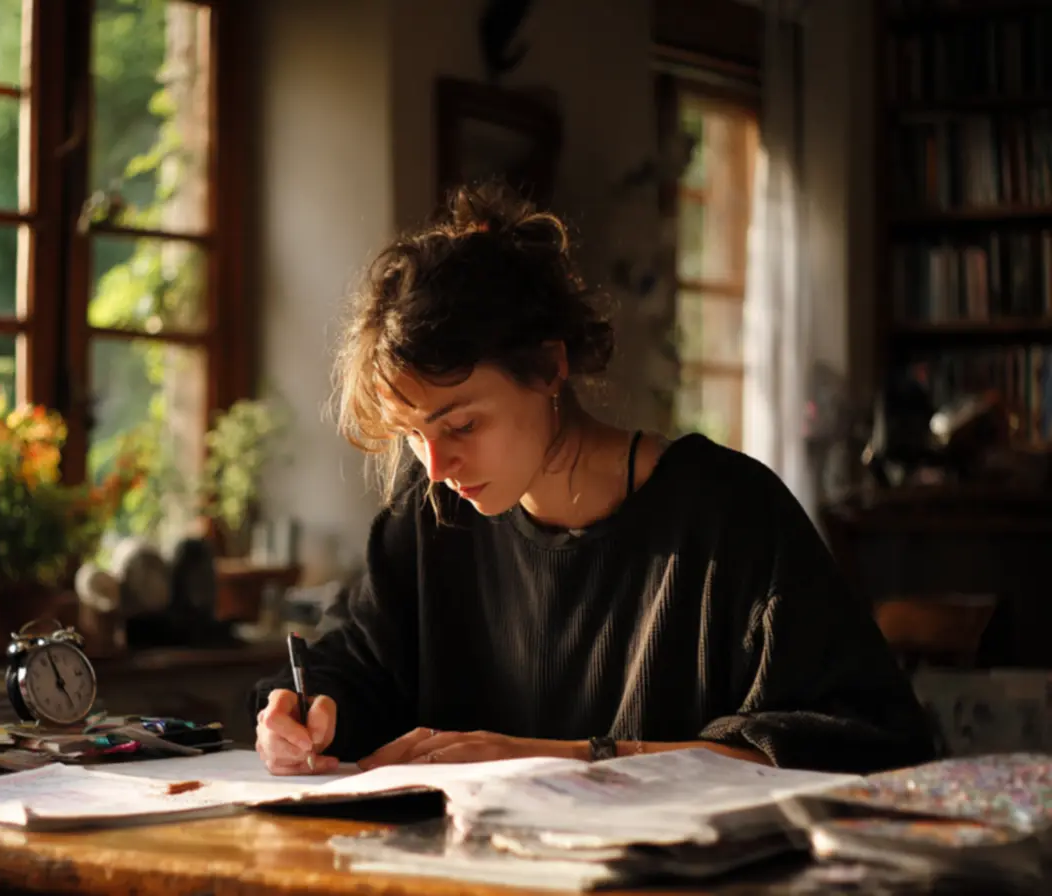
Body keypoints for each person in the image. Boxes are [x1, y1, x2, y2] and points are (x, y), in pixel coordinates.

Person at [252, 183, 935, 777]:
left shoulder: (728, 514)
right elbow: (359, 664)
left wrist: (567, 757)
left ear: (550, 367)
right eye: (413, 435)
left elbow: (857, 743)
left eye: (460, 426)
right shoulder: (430, 517)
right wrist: (308, 712)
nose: (435, 468)